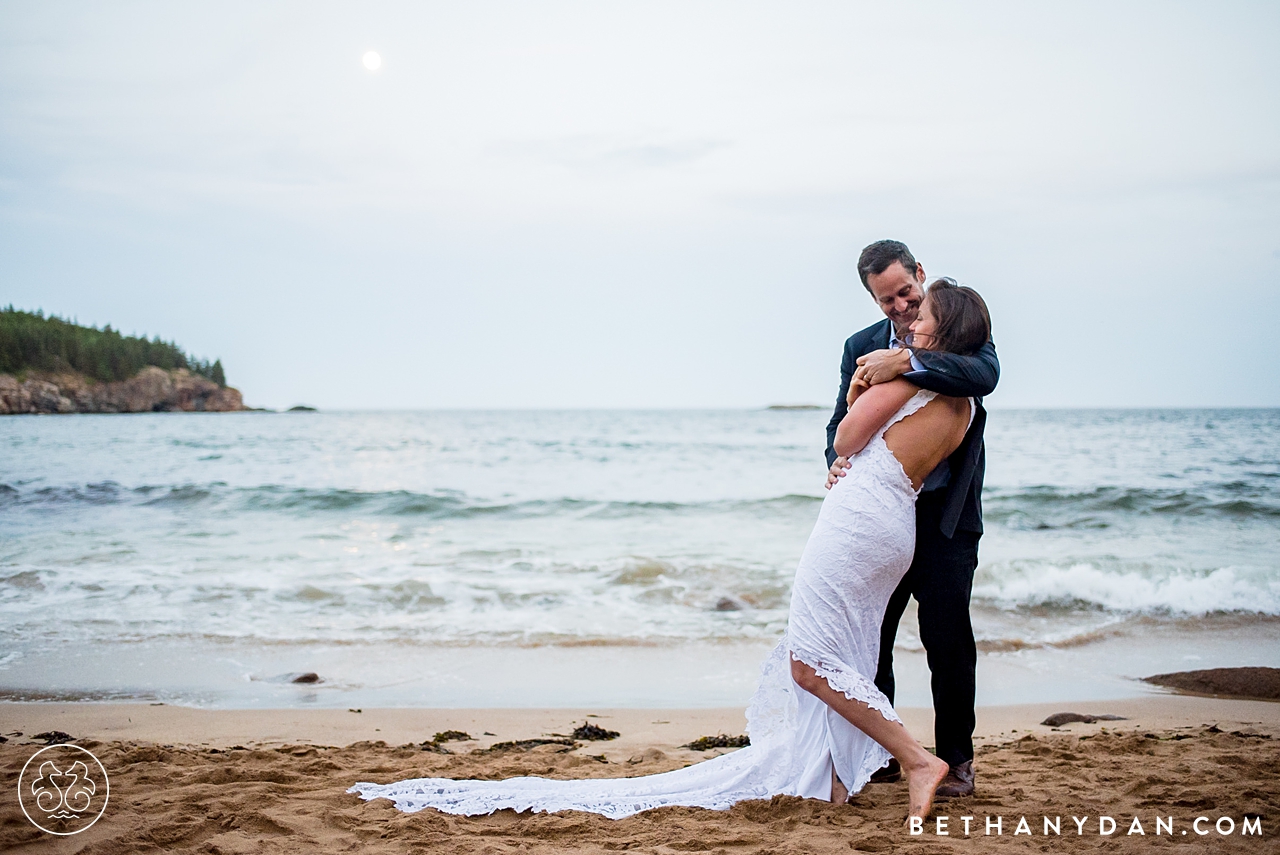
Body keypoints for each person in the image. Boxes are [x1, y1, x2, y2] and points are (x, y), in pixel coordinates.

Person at [350, 280, 993, 823]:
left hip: (857, 521)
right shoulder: (960, 402)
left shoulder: (905, 375)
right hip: (894, 524)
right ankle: (834, 777)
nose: (909, 320)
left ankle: (916, 758)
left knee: (810, 660)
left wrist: (869, 388)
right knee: (849, 648)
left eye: (921, 313)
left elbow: (849, 436)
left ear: (940, 329)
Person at [824, 240, 999, 797]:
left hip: (947, 519)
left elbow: (984, 374)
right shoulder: (859, 347)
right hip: (880, 517)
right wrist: (837, 463)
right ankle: (879, 753)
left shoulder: (959, 328)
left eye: (905, 292)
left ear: (920, 273)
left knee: (948, 641)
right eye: (886, 300)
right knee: (871, 638)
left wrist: (909, 361)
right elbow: (838, 427)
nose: (899, 307)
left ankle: (956, 759)